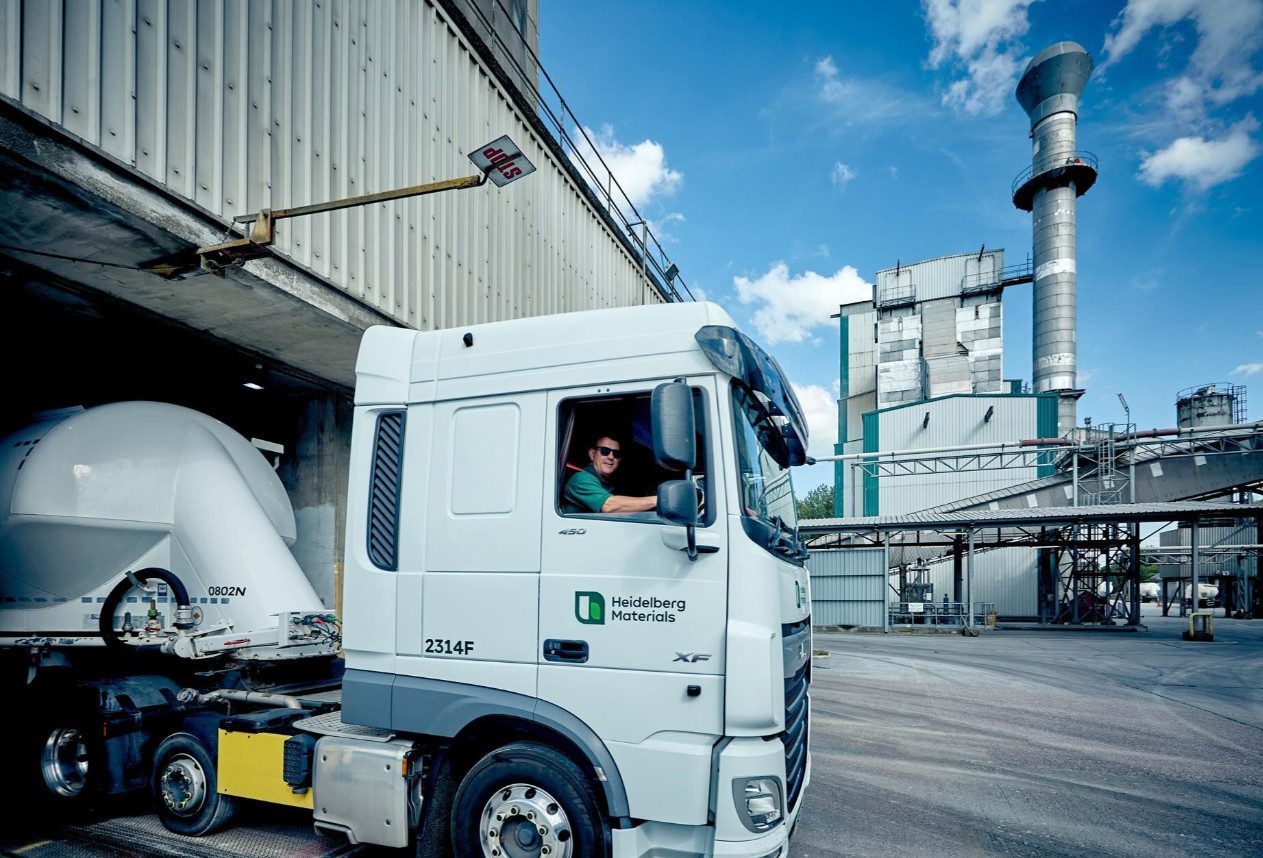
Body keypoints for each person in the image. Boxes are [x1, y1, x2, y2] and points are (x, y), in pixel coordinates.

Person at [562, 435, 657, 514]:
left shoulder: (605, 482)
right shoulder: (581, 479)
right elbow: (609, 506)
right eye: (604, 451)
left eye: (616, 454)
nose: (611, 457)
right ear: (592, 454)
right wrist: (659, 500)